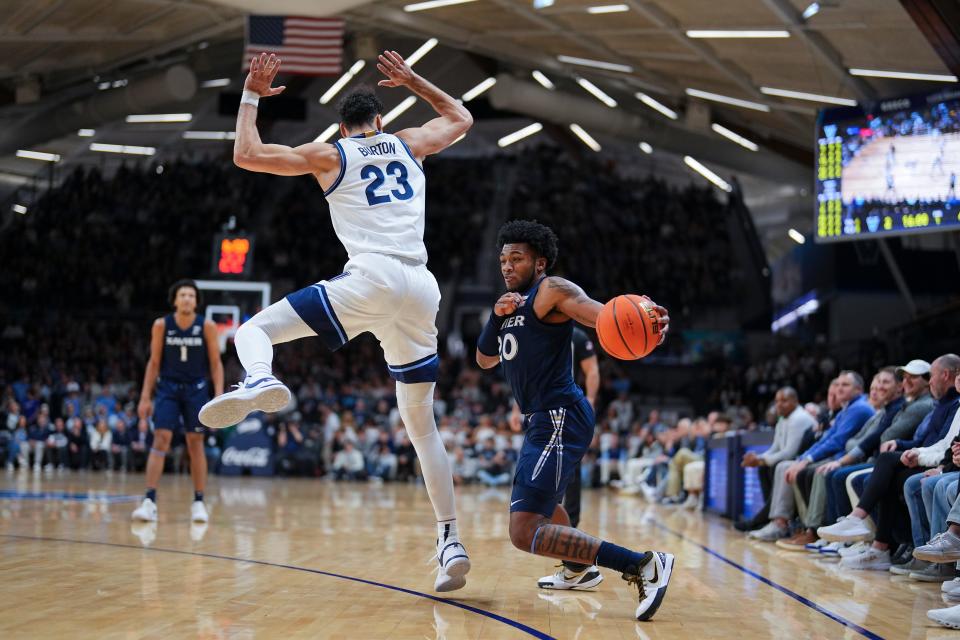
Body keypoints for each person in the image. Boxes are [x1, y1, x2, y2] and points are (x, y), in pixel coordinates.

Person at [196, 51, 473, 593]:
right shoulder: (410, 142)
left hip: (371, 279)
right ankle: (450, 539)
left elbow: (246, 154)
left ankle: (259, 377)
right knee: (423, 428)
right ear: (381, 121)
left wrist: (251, 93)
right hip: (421, 287)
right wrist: (415, 80)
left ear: (340, 126)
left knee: (254, 332)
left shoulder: (330, 155)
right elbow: (461, 119)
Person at [475, 220, 673, 621]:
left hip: (559, 415)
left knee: (524, 530)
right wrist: (496, 317)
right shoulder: (510, 304)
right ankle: (579, 570)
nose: (507, 267)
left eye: (517, 259)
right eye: (503, 260)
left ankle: (643, 565)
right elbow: (484, 359)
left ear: (540, 262)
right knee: (546, 509)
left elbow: (605, 319)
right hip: (542, 420)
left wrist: (645, 318)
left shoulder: (551, 291)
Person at [818, 354, 960, 571]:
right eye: (904, 378)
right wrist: (911, 448)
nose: (906, 382)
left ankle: (901, 547)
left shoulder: (928, 405)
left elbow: (883, 438)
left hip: (936, 463)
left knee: (894, 476)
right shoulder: (934, 405)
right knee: (869, 475)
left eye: (919, 377)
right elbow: (938, 443)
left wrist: (922, 456)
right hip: (932, 459)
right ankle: (879, 545)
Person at [132, 280, 224, 524]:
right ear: (174, 300)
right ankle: (149, 501)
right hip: (168, 389)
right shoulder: (162, 325)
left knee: (196, 443)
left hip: (196, 389)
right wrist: (144, 396)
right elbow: (153, 362)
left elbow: (216, 364)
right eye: (183, 295)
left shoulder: (207, 325)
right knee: (161, 438)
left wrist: (219, 395)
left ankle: (198, 502)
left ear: (196, 301)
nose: (186, 299)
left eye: (191, 296)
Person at [737, 386, 816, 532]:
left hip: (803, 460)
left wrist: (761, 460)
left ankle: (769, 520)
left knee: (776, 466)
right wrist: (759, 459)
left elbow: (789, 453)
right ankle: (768, 518)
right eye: (777, 401)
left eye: (784, 400)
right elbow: (775, 448)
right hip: (793, 460)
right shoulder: (783, 419)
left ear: (795, 401)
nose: (779, 404)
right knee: (764, 468)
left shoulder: (799, 418)